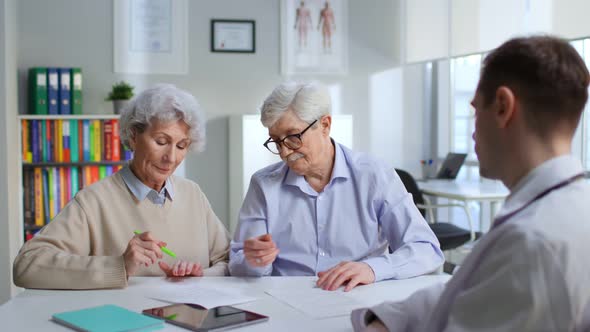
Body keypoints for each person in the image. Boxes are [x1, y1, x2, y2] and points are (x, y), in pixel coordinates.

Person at [351, 35, 590, 331]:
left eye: (476, 110)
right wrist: (387, 319)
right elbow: (470, 290)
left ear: (503, 106)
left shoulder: (534, 242)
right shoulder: (564, 209)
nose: (473, 131)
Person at [229, 81, 443, 291]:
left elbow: (426, 249)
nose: (284, 152)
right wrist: (255, 261)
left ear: (325, 125)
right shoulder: (264, 184)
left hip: (357, 295)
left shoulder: (374, 175)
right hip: (287, 298)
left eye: (293, 137)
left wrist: (372, 269)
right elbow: (237, 261)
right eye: (276, 141)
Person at [13, 84, 230, 290]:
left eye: (181, 146)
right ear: (134, 136)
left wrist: (202, 275)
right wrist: (119, 266)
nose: (171, 158)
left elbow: (230, 260)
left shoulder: (192, 194)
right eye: (161, 142)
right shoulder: (94, 200)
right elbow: (27, 265)